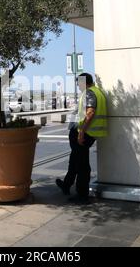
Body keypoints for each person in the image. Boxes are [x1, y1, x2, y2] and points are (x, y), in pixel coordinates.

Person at [56, 73, 107, 203]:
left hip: (84, 134)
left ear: (84, 82)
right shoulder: (96, 91)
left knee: (82, 164)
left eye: (78, 82)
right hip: (86, 132)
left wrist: (81, 132)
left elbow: (90, 113)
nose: (77, 85)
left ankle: (82, 195)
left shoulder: (89, 93)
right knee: (75, 159)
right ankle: (66, 185)